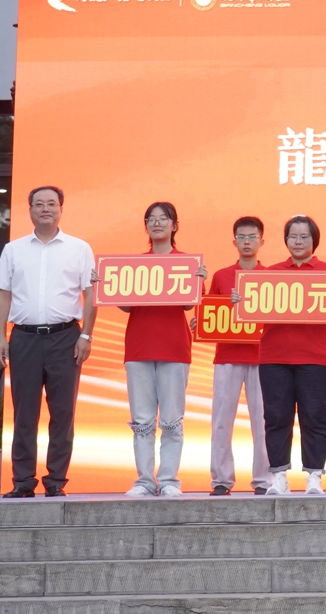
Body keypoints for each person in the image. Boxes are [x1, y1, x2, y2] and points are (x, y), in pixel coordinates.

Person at [0, 186, 96, 498]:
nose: (45, 209)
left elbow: (91, 293)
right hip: (23, 338)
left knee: (63, 413)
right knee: (24, 413)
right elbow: (3, 294)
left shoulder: (79, 248)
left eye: (52, 203)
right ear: (30, 211)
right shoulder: (14, 250)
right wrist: (0, 337)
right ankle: (23, 482)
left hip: (66, 338)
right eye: (39, 204)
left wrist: (86, 335)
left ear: (61, 209)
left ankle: (56, 481)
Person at [120, 202, 201, 497]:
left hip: (174, 347)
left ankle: (168, 480)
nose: (156, 223)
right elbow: (125, 305)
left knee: (171, 420)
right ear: (146, 226)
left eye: (163, 219)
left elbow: (188, 304)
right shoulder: (134, 265)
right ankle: (144, 480)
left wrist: (198, 280)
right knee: (142, 421)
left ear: (174, 225)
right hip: (139, 347)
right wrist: (107, 284)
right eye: (151, 219)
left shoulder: (188, 264)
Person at [258, 215, 326, 495]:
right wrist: (241, 301)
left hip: (317, 357)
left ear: (314, 240)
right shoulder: (270, 274)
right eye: (293, 236)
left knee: (315, 417)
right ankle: (279, 476)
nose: (298, 241)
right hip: (275, 357)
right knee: (276, 417)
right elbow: (253, 310)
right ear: (286, 240)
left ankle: (314, 475)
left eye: (304, 237)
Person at [205, 217, 271, 495]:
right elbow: (210, 314)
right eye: (242, 237)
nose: (247, 242)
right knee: (222, 419)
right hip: (227, 356)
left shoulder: (271, 276)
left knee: (264, 421)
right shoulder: (221, 276)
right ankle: (221, 479)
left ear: (261, 241)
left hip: (263, 357)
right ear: (234, 242)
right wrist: (202, 320)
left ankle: (264, 480)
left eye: (252, 237)